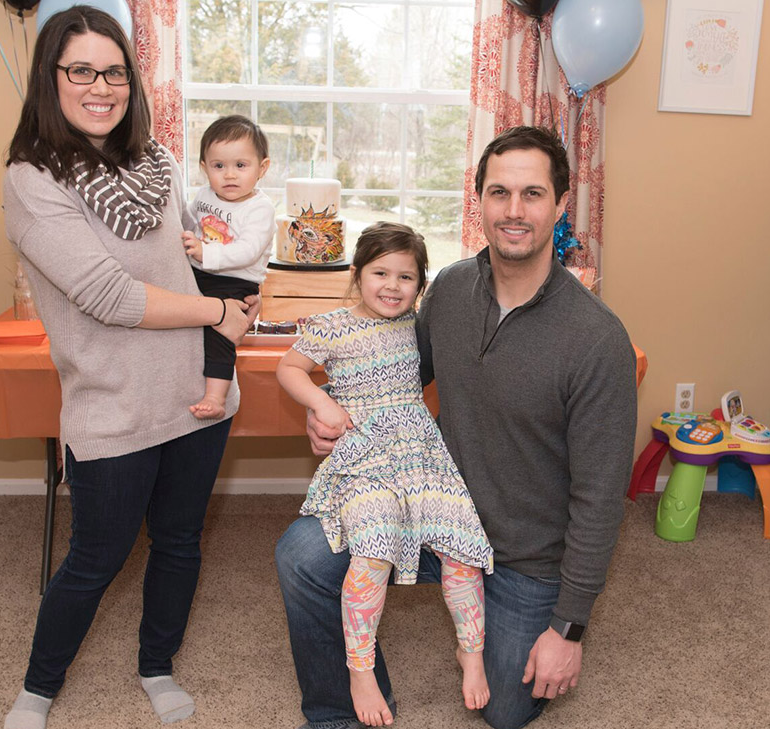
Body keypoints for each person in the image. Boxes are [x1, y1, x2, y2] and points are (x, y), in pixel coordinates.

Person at [275, 126, 637, 729]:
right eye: (499, 193)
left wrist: (568, 628)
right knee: (302, 557)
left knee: (504, 708)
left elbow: (601, 498)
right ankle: (343, 709)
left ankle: (507, 630)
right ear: (479, 201)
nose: (514, 211)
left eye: (532, 194)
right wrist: (328, 412)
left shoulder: (597, 340)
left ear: (561, 204)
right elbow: (394, 379)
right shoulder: (446, 290)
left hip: (527, 554)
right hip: (432, 505)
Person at [0, 7, 255, 729]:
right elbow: (109, 295)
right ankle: (37, 688)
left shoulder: (157, 162)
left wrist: (229, 293)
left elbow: (178, 258)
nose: (101, 86)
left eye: (114, 70)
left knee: (179, 541)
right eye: (81, 69)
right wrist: (216, 316)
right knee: (96, 557)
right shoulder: (33, 178)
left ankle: (156, 663)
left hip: (195, 397)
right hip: (112, 403)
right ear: (51, 80)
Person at [276, 222, 495, 727]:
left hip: (420, 453)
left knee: (459, 541)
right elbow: (289, 369)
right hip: (364, 455)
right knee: (373, 548)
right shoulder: (331, 326)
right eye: (380, 273)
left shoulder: (416, 323)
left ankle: (471, 650)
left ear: (421, 285)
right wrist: (321, 402)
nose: (392, 286)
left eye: (407, 277)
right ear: (356, 274)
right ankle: (359, 667)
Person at [181, 115, 276, 419]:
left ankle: (215, 396)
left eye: (241, 165)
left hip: (235, 281)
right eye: (218, 166)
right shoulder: (205, 195)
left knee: (219, 334)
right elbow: (190, 224)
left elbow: (248, 251)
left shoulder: (259, 208)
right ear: (204, 167)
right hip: (202, 272)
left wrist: (205, 254)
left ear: (262, 168)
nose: (229, 175)